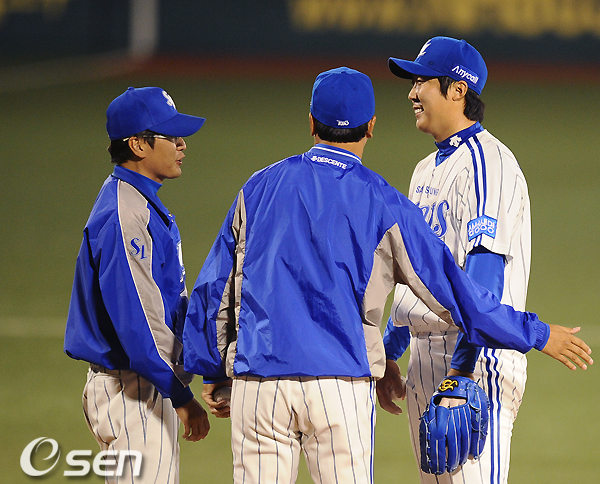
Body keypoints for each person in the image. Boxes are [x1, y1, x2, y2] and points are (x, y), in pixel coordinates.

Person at [181, 67, 592, 484]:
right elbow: (453, 288)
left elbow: (215, 288)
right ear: (372, 127)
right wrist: (536, 333)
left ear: (311, 122)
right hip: (339, 387)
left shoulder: (257, 188)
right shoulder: (383, 201)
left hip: (259, 383)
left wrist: (213, 370)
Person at [378, 36, 590, 483]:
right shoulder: (425, 170)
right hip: (425, 359)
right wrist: (391, 351)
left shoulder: (488, 165)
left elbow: (484, 278)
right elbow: (414, 275)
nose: (412, 93)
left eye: (422, 82)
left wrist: (461, 371)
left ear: (458, 90)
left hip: (475, 361)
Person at [64, 86, 210, 483]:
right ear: (138, 145)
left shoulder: (133, 199)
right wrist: (181, 394)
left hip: (137, 384)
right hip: (134, 391)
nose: (182, 144)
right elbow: (139, 322)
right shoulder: (126, 214)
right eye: (171, 136)